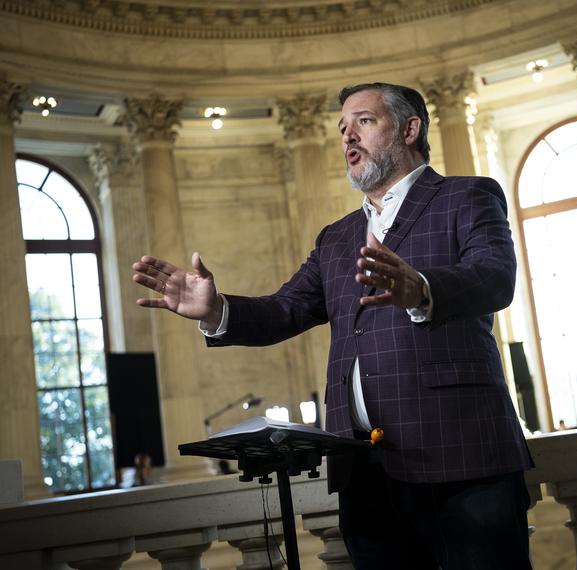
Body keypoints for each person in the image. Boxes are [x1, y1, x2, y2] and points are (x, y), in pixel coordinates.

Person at [132, 82, 532, 569]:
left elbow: (494, 277)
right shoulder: (337, 237)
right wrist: (217, 310)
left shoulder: (467, 196)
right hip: (365, 471)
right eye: (342, 128)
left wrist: (422, 287)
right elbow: (285, 309)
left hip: (463, 456)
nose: (348, 137)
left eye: (364, 121)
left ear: (410, 129)